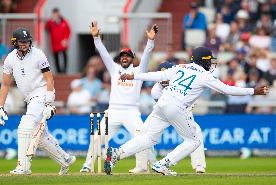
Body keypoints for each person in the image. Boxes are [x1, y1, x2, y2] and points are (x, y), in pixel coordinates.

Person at [104, 47, 268, 176]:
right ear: (203, 61)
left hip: (162, 103)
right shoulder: (204, 75)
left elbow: (156, 76)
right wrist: (253, 91)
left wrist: (134, 76)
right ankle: (163, 164)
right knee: (194, 141)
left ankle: (116, 154)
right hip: (176, 107)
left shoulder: (180, 67)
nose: (211, 63)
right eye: (209, 60)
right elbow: (226, 89)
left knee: (148, 138)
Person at [0, 28, 75, 175]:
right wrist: (0, 107)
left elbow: (49, 79)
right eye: (21, 42)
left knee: (24, 127)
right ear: (14, 42)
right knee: (40, 137)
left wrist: (49, 103)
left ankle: (23, 167)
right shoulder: (10, 59)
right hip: (30, 98)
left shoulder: (38, 54)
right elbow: (5, 84)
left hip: (42, 93)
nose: (25, 44)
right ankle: (65, 159)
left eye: (26, 41)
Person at [80, 21, 158, 174]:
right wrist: (96, 38)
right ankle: (88, 165)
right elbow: (103, 53)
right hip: (113, 111)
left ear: (132, 58)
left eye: (127, 56)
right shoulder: (114, 69)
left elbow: (147, 56)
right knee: (97, 137)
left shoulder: (139, 71)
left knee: (142, 138)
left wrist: (150, 41)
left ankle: (148, 166)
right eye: (122, 55)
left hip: (132, 112)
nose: (124, 58)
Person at [151, 61, 206, 173]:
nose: (164, 80)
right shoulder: (155, 90)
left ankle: (199, 165)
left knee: (196, 133)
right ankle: (147, 164)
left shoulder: (182, 83)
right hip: (164, 113)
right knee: (147, 135)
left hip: (181, 111)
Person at [46, 8, 71, 73]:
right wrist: (51, 21)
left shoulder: (63, 21)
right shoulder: (51, 22)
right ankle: (58, 71)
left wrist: (66, 39)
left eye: (56, 13)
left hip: (63, 43)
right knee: (56, 57)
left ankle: (64, 70)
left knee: (64, 56)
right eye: (54, 14)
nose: (55, 15)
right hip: (54, 43)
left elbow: (68, 30)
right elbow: (46, 27)